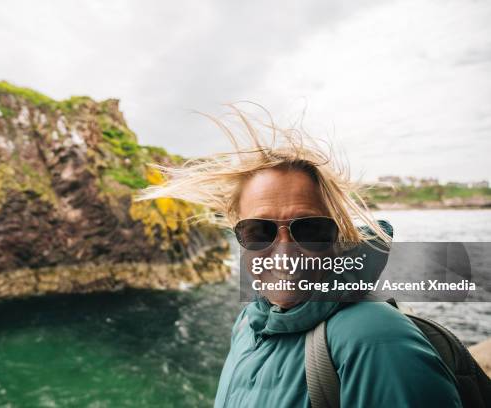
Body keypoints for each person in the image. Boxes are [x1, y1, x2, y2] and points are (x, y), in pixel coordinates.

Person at [136, 106, 462, 407]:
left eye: (310, 230)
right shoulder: (250, 323)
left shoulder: (374, 338)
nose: (285, 250)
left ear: (339, 237)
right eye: (258, 231)